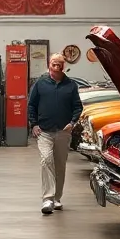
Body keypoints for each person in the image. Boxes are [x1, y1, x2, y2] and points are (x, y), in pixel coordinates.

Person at [27, 53, 83, 215]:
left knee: (60, 165)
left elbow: (77, 107)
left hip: (63, 131)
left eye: (59, 63)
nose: (56, 66)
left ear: (63, 66)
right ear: (49, 64)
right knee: (46, 160)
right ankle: (48, 199)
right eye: (53, 63)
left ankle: (57, 198)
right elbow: (32, 105)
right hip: (44, 131)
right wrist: (34, 124)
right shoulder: (40, 84)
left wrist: (72, 123)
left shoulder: (71, 85)